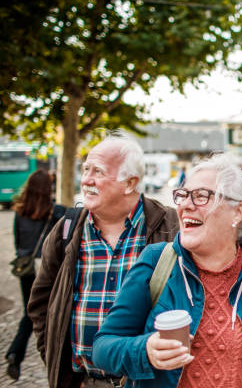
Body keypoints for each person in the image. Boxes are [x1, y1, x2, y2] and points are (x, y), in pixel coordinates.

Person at [92, 154, 242, 387]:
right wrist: (145, 351)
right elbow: (103, 348)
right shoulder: (157, 263)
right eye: (182, 195)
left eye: (201, 196)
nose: (185, 205)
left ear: (237, 212)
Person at [28, 136, 179, 388]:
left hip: (146, 382)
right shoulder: (66, 229)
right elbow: (41, 304)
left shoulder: (170, 226)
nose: (86, 180)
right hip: (85, 383)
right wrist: (57, 363)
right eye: (86, 169)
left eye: (98, 171)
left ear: (130, 183)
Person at [5, 170, 66, 380]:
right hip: (46, 268)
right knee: (45, 313)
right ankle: (47, 358)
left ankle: (15, 353)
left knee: (29, 311)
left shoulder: (20, 211)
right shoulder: (54, 211)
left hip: (26, 267)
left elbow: (18, 241)